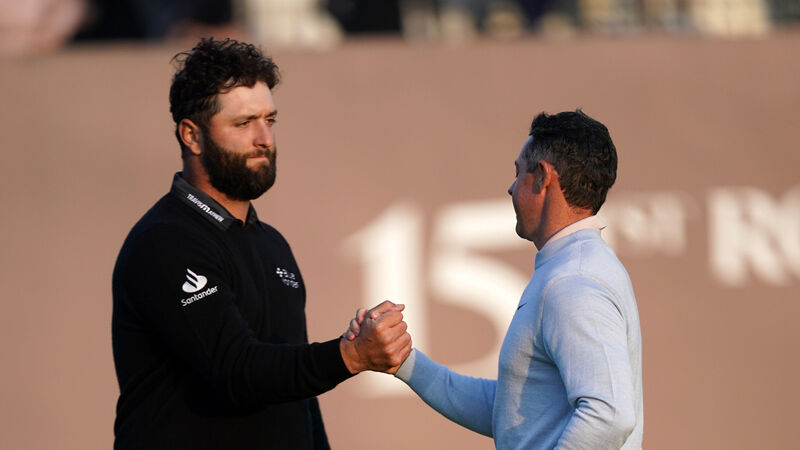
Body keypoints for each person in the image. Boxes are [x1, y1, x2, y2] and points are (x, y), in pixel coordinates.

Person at [111, 37, 411, 450]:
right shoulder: (165, 242)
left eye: (270, 119)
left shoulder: (272, 244)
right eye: (244, 123)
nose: (264, 138)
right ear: (191, 136)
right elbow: (238, 370)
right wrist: (350, 355)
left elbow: (298, 403)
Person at [348, 110, 643, 448]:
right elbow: (511, 412)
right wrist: (404, 361)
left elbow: (610, 415)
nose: (511, 187)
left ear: (542, 177)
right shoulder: (572, 269)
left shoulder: (573, 280)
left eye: (518, 173)